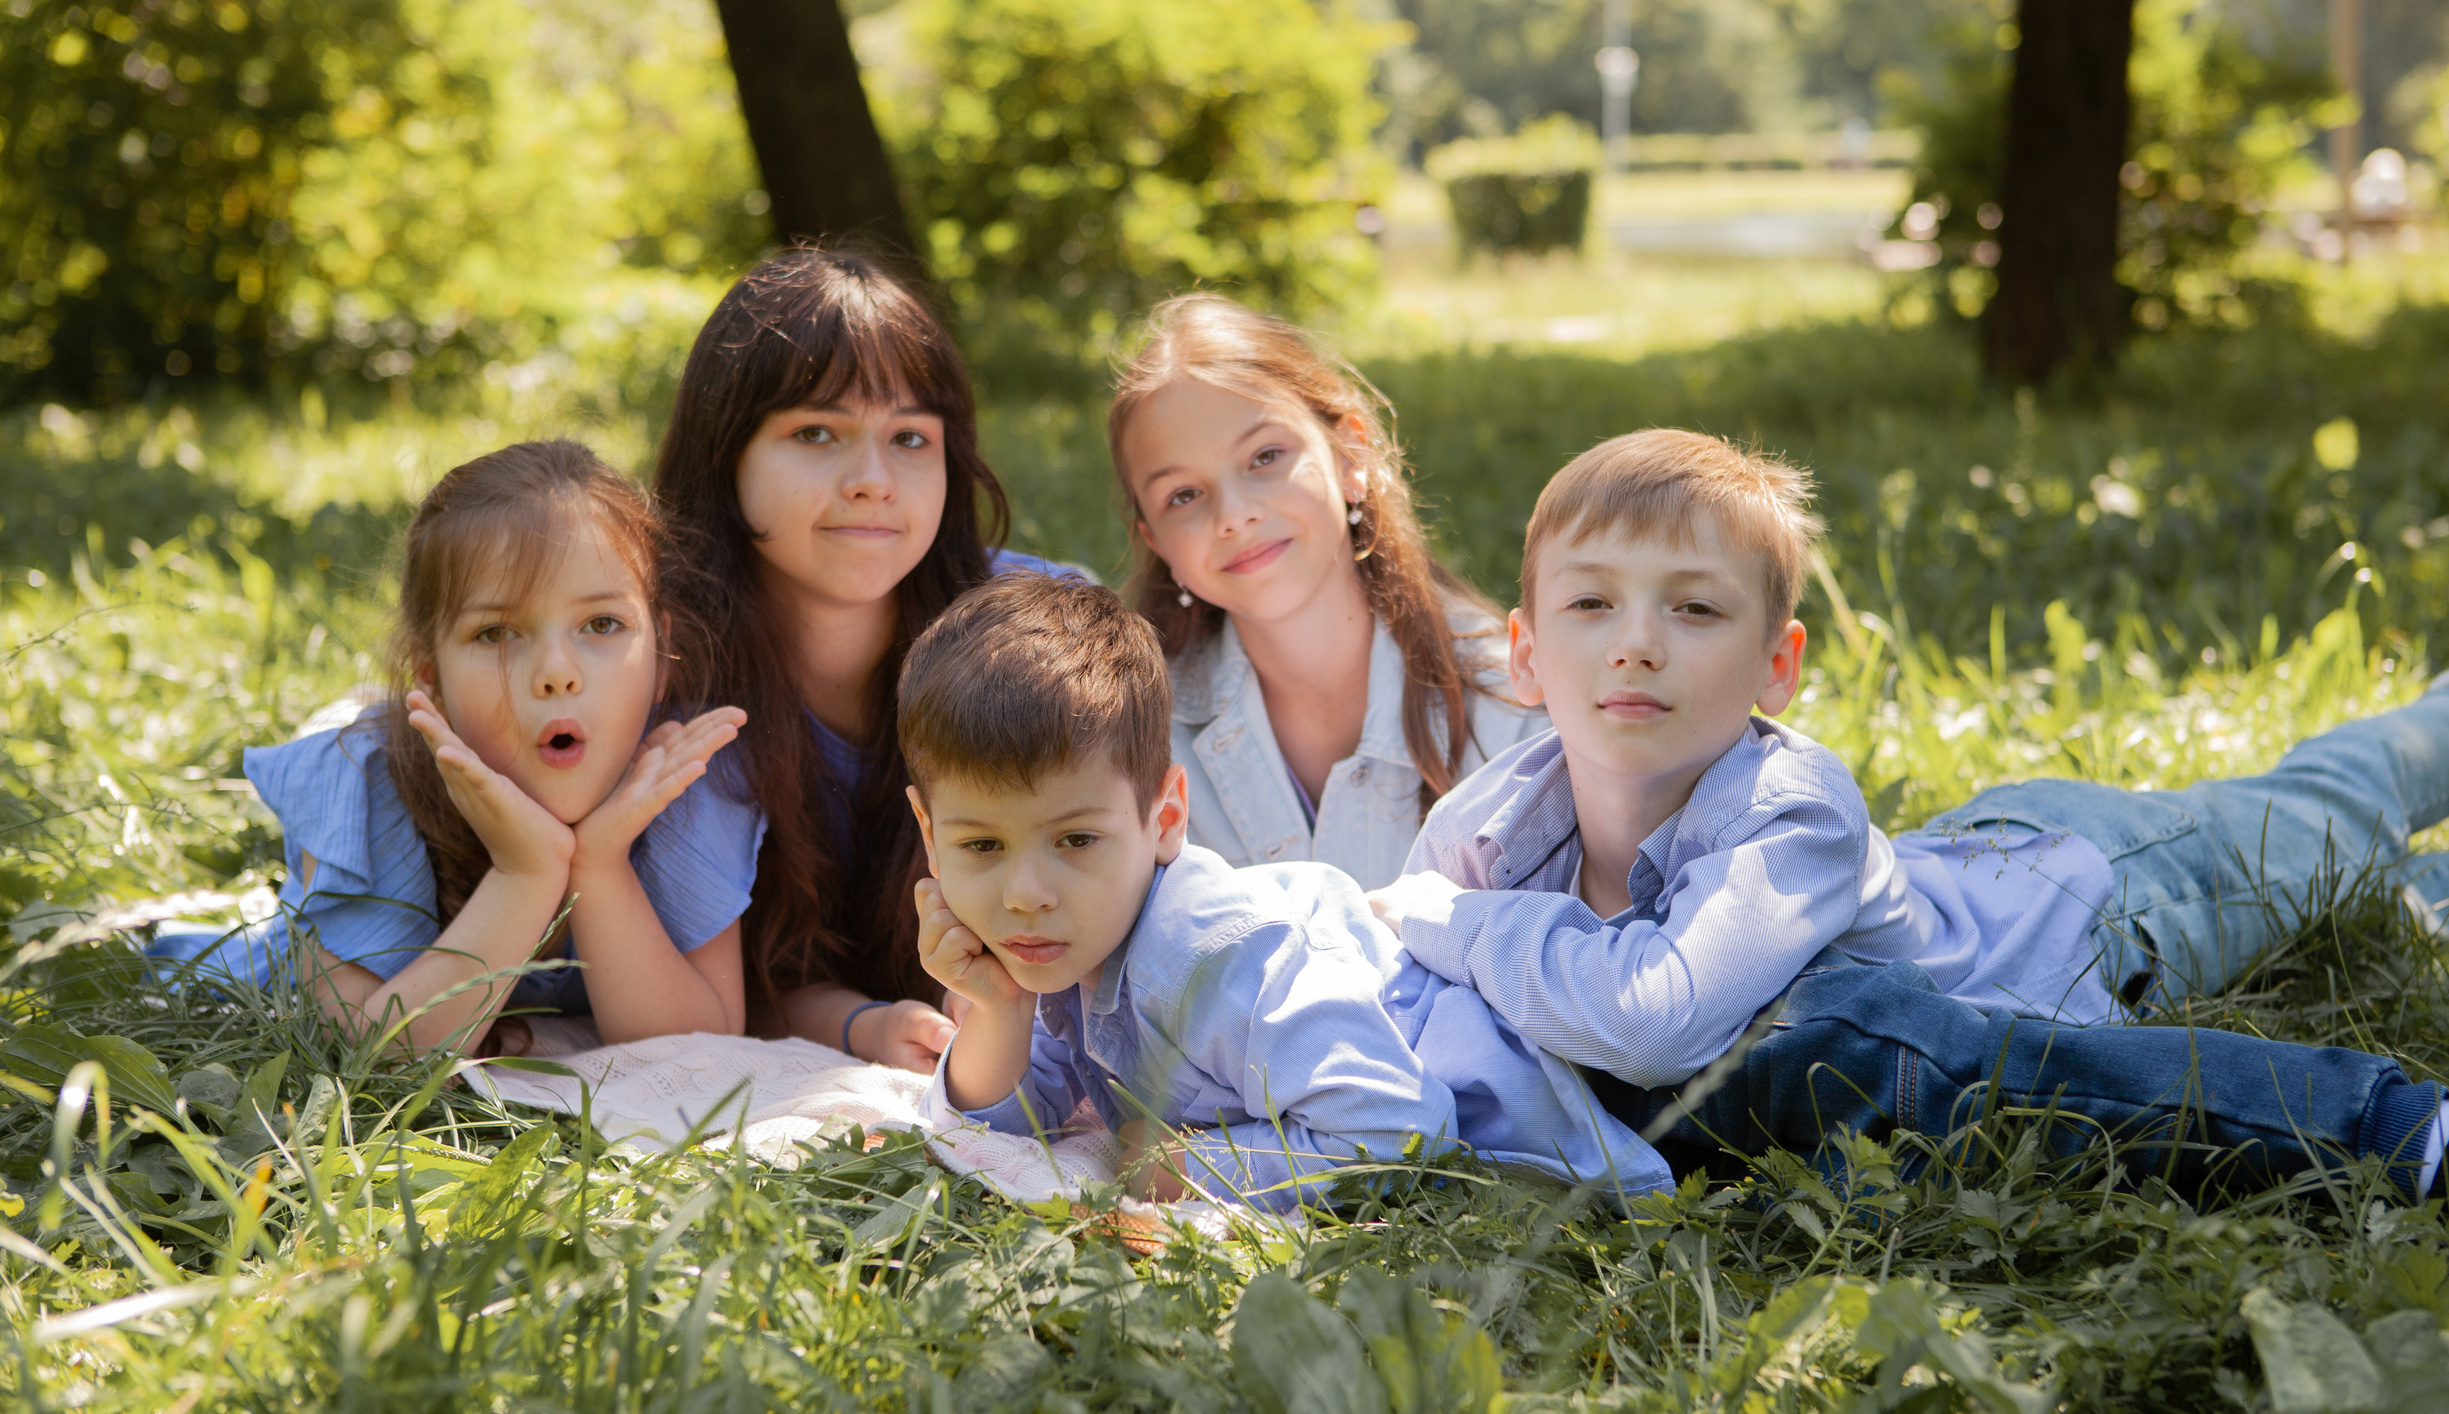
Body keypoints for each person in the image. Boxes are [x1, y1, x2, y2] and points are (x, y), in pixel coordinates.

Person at [1368, 429, 2449, 1254]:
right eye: (1590, 605)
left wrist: (1467, 926)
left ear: (1776, 663)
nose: (1634, 645)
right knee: (2397, 915)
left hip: (2085, 899)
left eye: (1693, 608)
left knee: (2310, 826)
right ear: (1523, 654)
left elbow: (1654, 1013)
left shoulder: (1791, 809)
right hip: (1996, 892)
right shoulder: (1491, 823)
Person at [898, 572, 1668, 1208]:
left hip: (1550, 1154)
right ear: (929, 834)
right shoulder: (1073, 945)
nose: (1027, 892)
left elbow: (1400, 1129)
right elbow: (1002, 1121)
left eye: (1075, 840)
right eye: (981, 845)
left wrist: (1190, 1166)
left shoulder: (1213, 954)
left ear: (1165, 818)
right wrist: (1000, 1005)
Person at [152, 441, 754, 1056]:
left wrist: (600, 866)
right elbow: (362, 1051)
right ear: (431, 677)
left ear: (661, 656)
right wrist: (526, 873)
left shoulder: (683, 775)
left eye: (602, 624)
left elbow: (709, 1038)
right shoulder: (367, 783)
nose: (556, 673)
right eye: (496, 633)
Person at [651, 246, 1080, 1071]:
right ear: (724, 453)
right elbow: (724, 985)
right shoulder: (665, 672)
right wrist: (856, 1023)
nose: (873, 479)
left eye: (910, 436)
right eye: (817, 432)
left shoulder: (1031, 639)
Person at [1107, 294, 1545, 890]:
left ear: (1350, 456)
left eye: (1265, 457)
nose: (1234, 515)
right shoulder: (1130, 737)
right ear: (1155, 541)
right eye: (1183, 495)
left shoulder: (1519, 707)